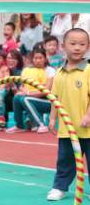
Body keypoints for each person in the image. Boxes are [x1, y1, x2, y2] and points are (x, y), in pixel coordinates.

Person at [46, 28, 90, 201]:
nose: (77, 48)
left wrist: (88, 115)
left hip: (87, 128)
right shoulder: (59, 73)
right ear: (63, 46)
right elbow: (54, 99)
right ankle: (60, 187)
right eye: (73, 44)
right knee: (65, 161)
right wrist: (52, 118)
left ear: (88, 47)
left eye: (82, 44)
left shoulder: (88, 70)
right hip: (67, 129)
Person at [6, 48, 55, 134]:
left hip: (49, 102)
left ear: (45, 59)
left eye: (40, 58)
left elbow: (46, 91)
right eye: (35, 58)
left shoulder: (50, 71)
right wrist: (23, 90)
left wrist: (28, 93)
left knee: (25, 99)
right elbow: (21, 86)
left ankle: (41, 125)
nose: (38, 60)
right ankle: (19, 126)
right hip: (33, 99)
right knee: (17, 97)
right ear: (32, 59)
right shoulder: (28, 70)